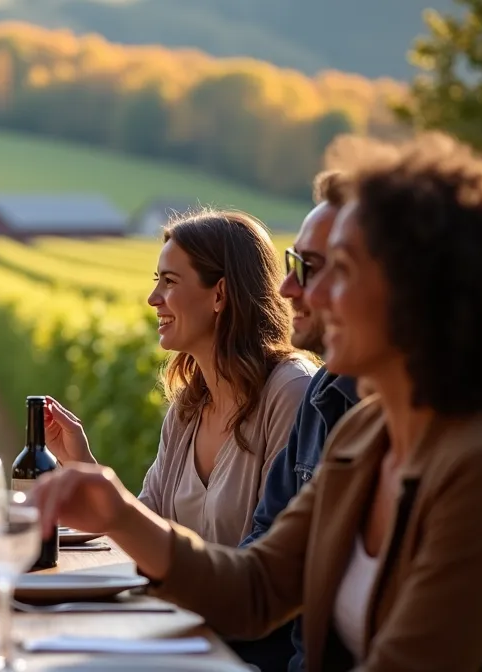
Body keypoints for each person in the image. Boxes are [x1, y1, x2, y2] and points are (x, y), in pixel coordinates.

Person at [31, 132, 482, 671]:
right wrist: (117, 511)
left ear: (420, 293)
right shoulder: (363, 436)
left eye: (337, 271)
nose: (295, 292)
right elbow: (255, 590)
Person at [45, 209, 315, 547]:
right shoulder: (189, 408)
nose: (153, 298)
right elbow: (146, 526)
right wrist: (81, 465)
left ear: (219, 294)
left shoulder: (290, 393)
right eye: (157, 279)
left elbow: (273, 555)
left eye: (170, 281)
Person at [229, 171, 361, 672]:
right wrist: (114, 510)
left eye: (311, 268)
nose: (286, 288)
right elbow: (260, 575)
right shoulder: (332, 403)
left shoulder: (480, 468)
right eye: (292, 264)